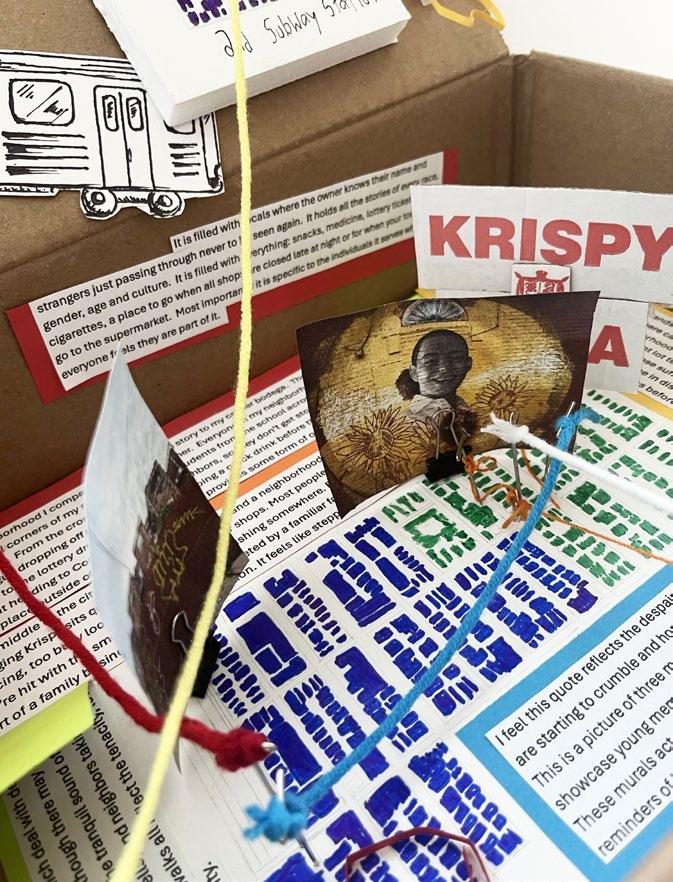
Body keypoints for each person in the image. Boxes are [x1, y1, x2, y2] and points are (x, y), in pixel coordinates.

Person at [396, 329, 477, 442]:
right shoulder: (403, 423)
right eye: (431, 361)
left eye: (456, 358)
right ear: (414, 373)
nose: (444, 368)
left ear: (468, 364)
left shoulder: (471, 409)